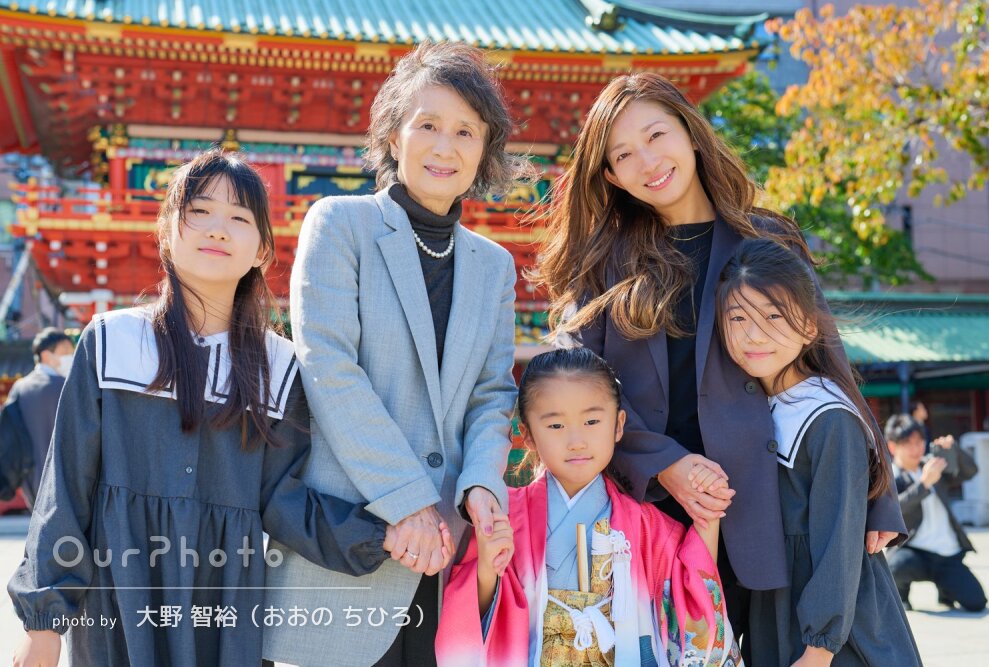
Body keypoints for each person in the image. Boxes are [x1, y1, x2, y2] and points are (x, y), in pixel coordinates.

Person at [531, 71, 906, 643]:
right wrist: (666, 464)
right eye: (624, 155)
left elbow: (826, 361)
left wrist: (877, 496)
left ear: (690, 128)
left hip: (761, 504)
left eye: (657, 135)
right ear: (609, 175)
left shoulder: (766, 238)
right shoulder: (605, 262)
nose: (648, 161)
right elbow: (580, 389)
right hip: (644, 508)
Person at [8, 150, 399, 666]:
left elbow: (280, 498)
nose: (218, 229)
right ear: (167, 231)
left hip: (225, 596)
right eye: (200, 211)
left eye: (239, 218)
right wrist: (44, 621)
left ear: (261, 249)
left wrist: (384, 537)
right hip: (119, 590)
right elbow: (69, 485)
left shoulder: (278, 367)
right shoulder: (112, 341)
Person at [263, 41, 531, 667]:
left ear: (484, 150)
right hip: (353, 543)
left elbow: (494, 391)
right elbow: (328, 366)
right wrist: (408, 499)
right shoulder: (341, 224)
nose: (446, 146)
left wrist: (483, 485)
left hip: (450, 558)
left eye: (466, 131)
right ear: (392, 134)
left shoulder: (493, 266)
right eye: (428, 124)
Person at [437, 348, 742, 666]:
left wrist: (707, 516)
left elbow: (692, 607)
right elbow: (471, 618)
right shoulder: (502, 517)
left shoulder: (649, 528)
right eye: (556, 426)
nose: (577, 440)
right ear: (526, 435)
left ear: (619, 425)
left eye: (592, 420)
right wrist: (488, 568)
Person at [716, 239, 920, 666]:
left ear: (809, 327)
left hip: (837, 630)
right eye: (738, 318)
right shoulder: (750, 408)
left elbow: (839, 543)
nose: (754, 334)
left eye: (773, 316)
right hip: (775, 612)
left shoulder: (828, 416)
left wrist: (819, 648)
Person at [885, 414, 987, 613]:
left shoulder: (933, 466)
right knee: (896, 567)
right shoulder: (889, 476)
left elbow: (971, 471)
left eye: (919, 442)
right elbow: (893, 509)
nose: (916, 448)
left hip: (947, 553)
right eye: (908, 443)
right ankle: (901, 592)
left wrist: (955, 451)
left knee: (977, 602)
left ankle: (946, 589)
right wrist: (923, 485)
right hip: (914, 553)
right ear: (893, 446)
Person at [0, 327, 74, 506]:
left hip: (30, 481)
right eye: (66, 352)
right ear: (47, 355)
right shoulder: (65, 386)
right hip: (66, 483)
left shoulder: (20, 387)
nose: (71, 357)